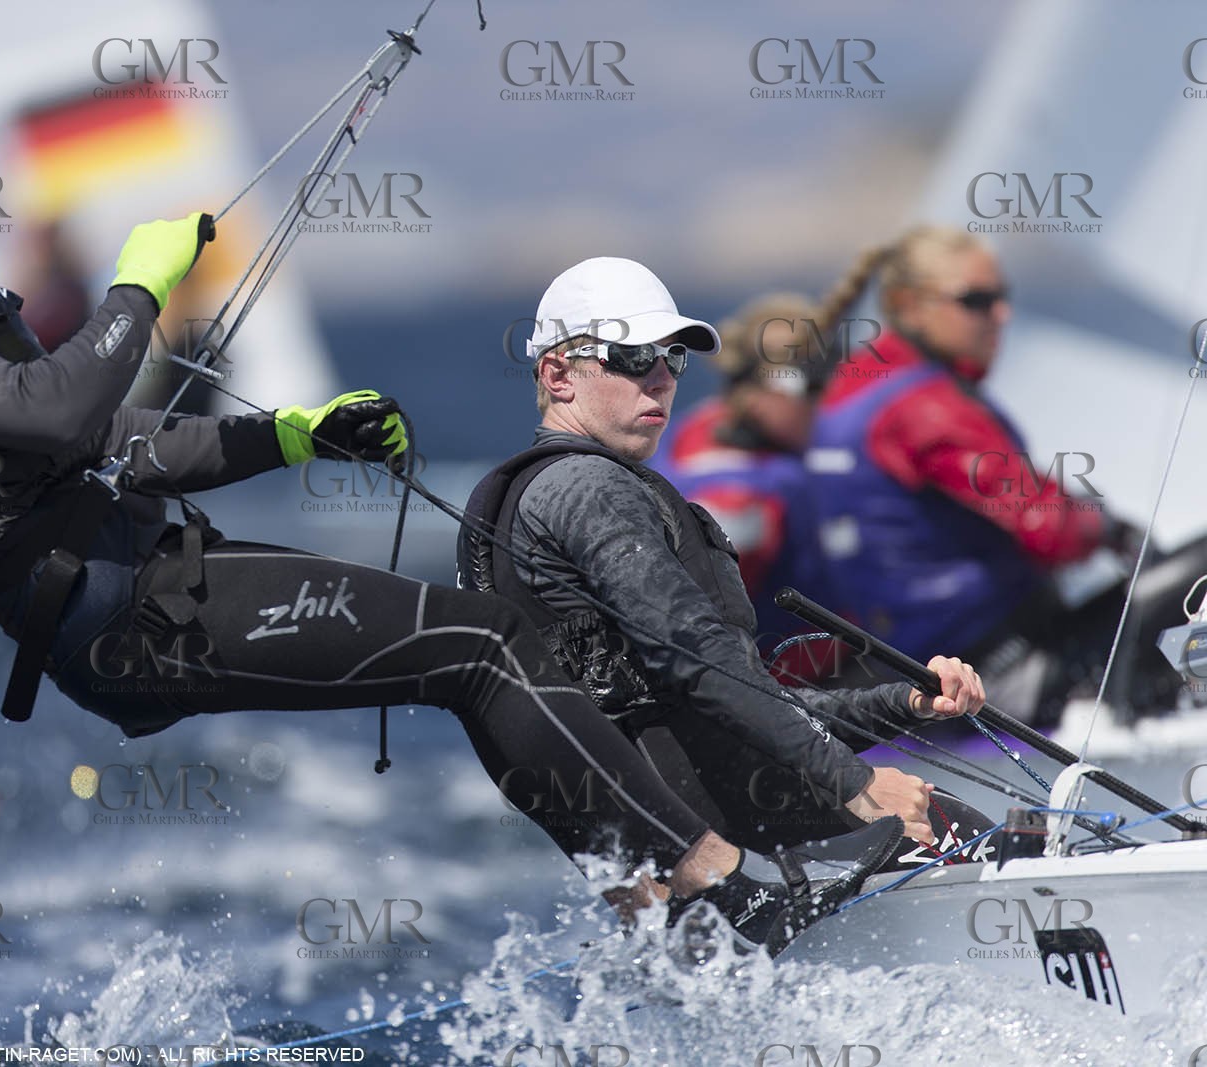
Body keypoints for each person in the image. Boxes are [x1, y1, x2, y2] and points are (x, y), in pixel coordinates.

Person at [0, 59, 895, 958]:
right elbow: (56, 412)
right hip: (132, 615)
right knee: (486, 643)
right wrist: (139, 286)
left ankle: (663, 901)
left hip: (145, 591)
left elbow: (110, 445)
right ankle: (708, 886)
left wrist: (292, 435)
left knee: (479, 648)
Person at [459, 257, 996, 933]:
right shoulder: (590, 489)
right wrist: (856, 783)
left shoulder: (528, 496)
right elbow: (702, 662)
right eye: (633, 357)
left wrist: (904, 700)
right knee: (981, 839)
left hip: (680, 850)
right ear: (558, 375)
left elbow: (720, 697)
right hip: (728, 834)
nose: (661, 377)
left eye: (672, 359)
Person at [806, 225, 1188, 725]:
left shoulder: (851, 390)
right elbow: (1048, 527)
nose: (1001, 314)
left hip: (906, 669)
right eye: (977, 300)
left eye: (1002, 297)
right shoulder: (927, 408)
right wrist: (1111, 529)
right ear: (909, 305)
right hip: (992, 676)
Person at [651, 294, 848, 686]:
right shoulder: (749, 491)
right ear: (772, 389)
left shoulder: (692, 425)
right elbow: (694, 606)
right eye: (814, 384)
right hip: (787, 691)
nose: (825, 400)